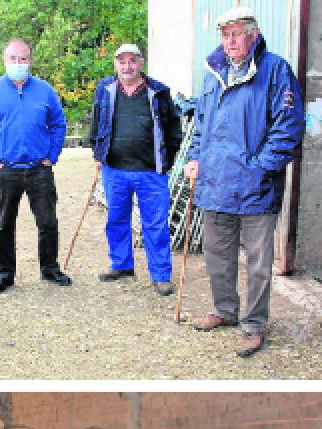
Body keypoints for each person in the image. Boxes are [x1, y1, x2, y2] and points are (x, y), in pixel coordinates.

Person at [185, 6, 304, 357]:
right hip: (215, 184)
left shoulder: (275, 70)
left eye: (237, 33)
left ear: (253, 34)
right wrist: (195, 158)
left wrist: (259, 168)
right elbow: (201, 123)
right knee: (217, 256)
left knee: (258, 263)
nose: (231, 41)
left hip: (256, 187)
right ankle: (224, 310)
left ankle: (253, 324)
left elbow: (288, 126)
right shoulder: (213, 73)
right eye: (226, 35)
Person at [0, 38, 71, 294]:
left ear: (31, 61)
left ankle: (50, 268)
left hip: (39, 168)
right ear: (5, 61)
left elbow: (59, 123)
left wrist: (52, 155)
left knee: (48, 222)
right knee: (4, 224)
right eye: (13, 59)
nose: (18, 63)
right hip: (6, 169)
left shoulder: (45, 90)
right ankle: (4, 274)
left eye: (23, 59)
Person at [88, 43, 183, 296]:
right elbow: (96, 122)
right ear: (115, 64)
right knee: (116, 219)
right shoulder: (105, 89)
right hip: (114, 170)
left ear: (141, 62)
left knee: (155, 224)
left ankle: (161, 275)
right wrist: (98, 153)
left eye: (132, 60)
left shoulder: (158, 92)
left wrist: (167, 159)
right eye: (122, 61)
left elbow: (174, 129)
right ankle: (122, 264)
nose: (127, 66)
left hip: (150, 172)